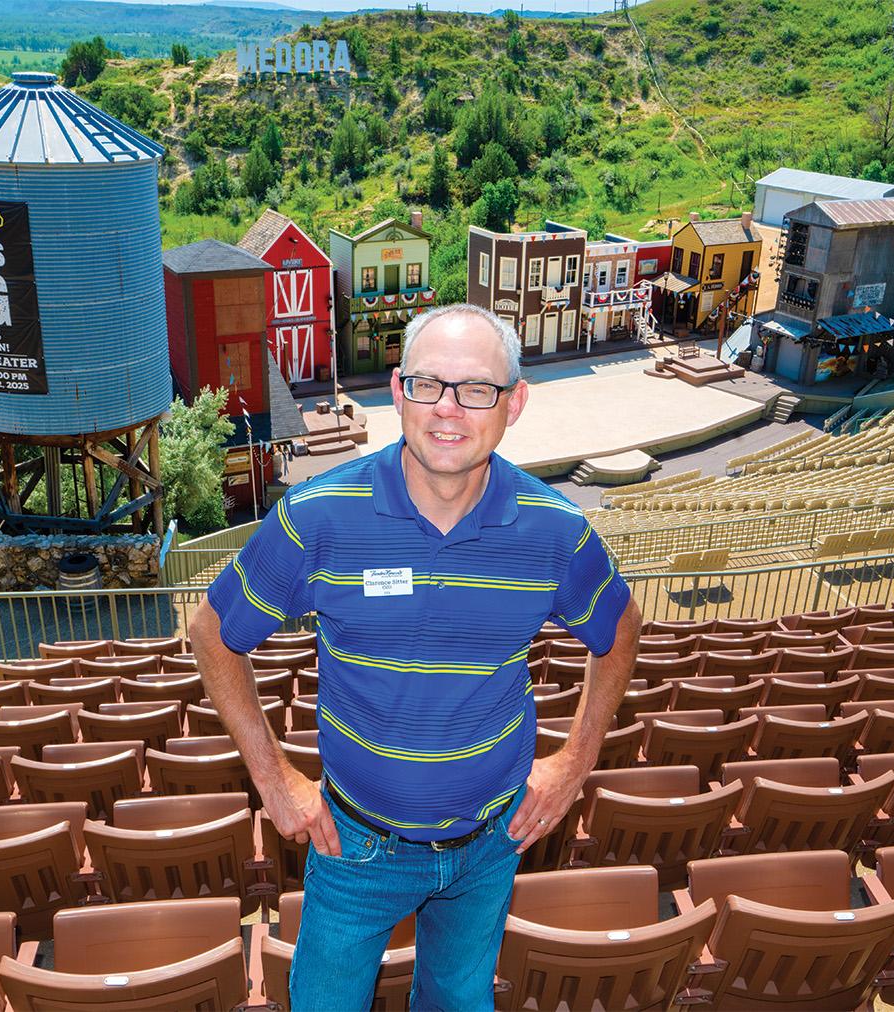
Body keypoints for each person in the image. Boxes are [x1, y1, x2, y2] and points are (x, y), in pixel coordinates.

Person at [189, 303, 640, 1010]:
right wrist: (273, 779)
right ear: (398, 391)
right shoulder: (317, 516)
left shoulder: (556, 530)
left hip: (491, 843)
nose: (448, 409)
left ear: (515, 402)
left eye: (477, 388)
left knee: (458, 1000)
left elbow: (621, 630)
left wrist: (573, 765)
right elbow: (213, 632)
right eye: (428, 384)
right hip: (354, 848)